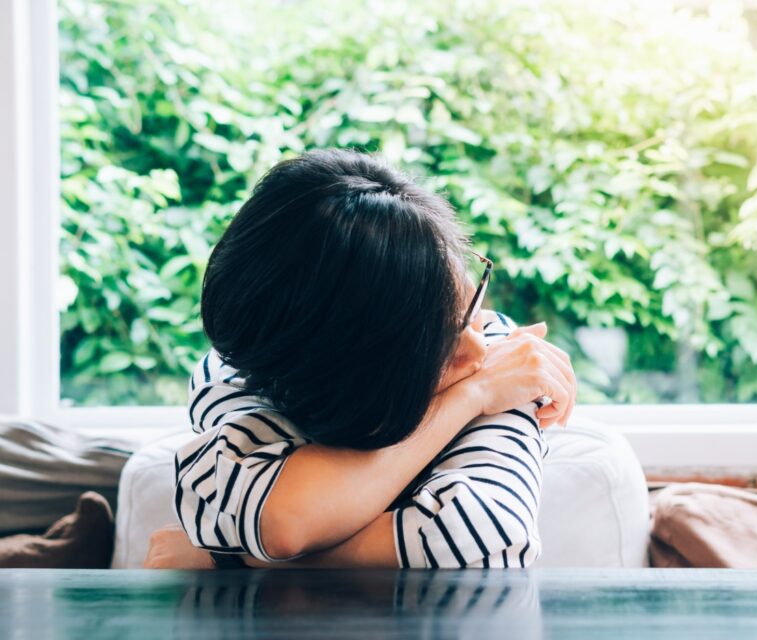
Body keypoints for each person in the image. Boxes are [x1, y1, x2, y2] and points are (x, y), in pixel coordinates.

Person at [153, 149, 576, 569]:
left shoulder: (506, 354)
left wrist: (232, 561)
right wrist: (470, 396)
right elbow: (283, 522)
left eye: (467, 302)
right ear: (352, 372)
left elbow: (490, 532)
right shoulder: (241, 374)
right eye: (437, 344)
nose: (478, 351)